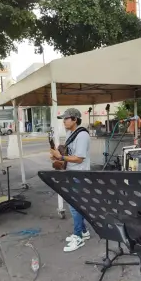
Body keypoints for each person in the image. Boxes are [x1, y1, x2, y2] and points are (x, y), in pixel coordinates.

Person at [50, 108, 91, 252]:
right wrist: (58, 155)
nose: (64, 121)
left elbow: (79, 158)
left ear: (75, 119)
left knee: (75, 207)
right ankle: (84, 232)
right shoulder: (70, 133)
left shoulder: (82, 135)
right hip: (72, 173)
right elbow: (69, 154)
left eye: (66, 118)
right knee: (75, 205)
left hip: (79, 175)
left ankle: (78, 236)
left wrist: (60, 157)